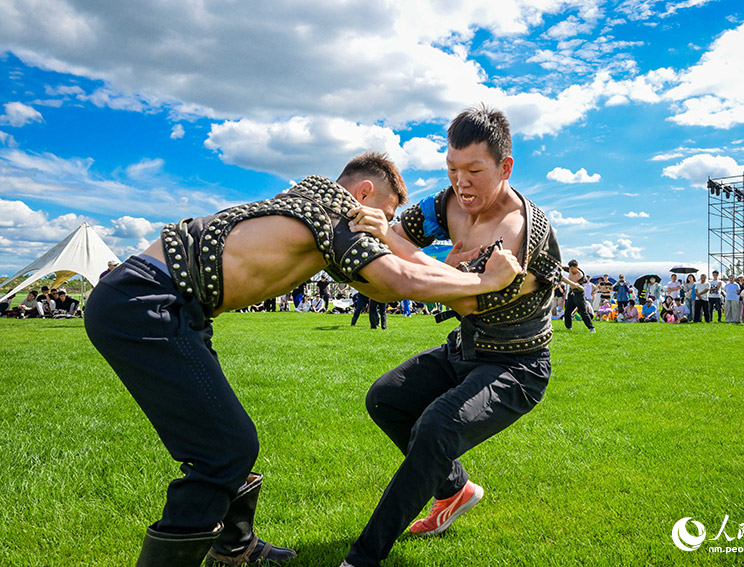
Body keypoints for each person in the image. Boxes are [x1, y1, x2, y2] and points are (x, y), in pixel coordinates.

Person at [84, 152, 521, 567]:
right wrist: (485, 280)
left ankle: (235, 545)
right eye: (385, 215)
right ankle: (217, 548)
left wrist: (447, 271)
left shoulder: (307, 203)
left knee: (224, 434)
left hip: (161, 302)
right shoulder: (337, 216)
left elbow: (383, 285)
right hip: (148, 302)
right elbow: (398, 277)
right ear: (363, 193)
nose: (380, 228)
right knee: (225, 448)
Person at [339, 106, 560, 567]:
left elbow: (461, 299)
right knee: (385, 398)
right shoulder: (446, 203)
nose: (461, 182)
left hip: (516, 367)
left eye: (474, 171)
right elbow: (396, 234)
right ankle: (455, 489)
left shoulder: (518, 232)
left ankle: (362, 557)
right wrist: (437, 260)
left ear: (505, 167)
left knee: (435, 428)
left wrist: (423, 258)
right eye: (452, 169)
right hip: (464, 350)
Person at [561, 259, 596, 333]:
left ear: (576, 267)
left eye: (572, 269)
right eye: (570, 268)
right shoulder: (570, 269)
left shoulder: (581, 276)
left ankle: (591, 328)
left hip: (579, 294)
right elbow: (562, 267)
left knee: (583, 312)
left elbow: (582, 288)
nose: (571, 270)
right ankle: (568, 327)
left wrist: (574, 284)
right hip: (571, 293)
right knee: (567, 312)